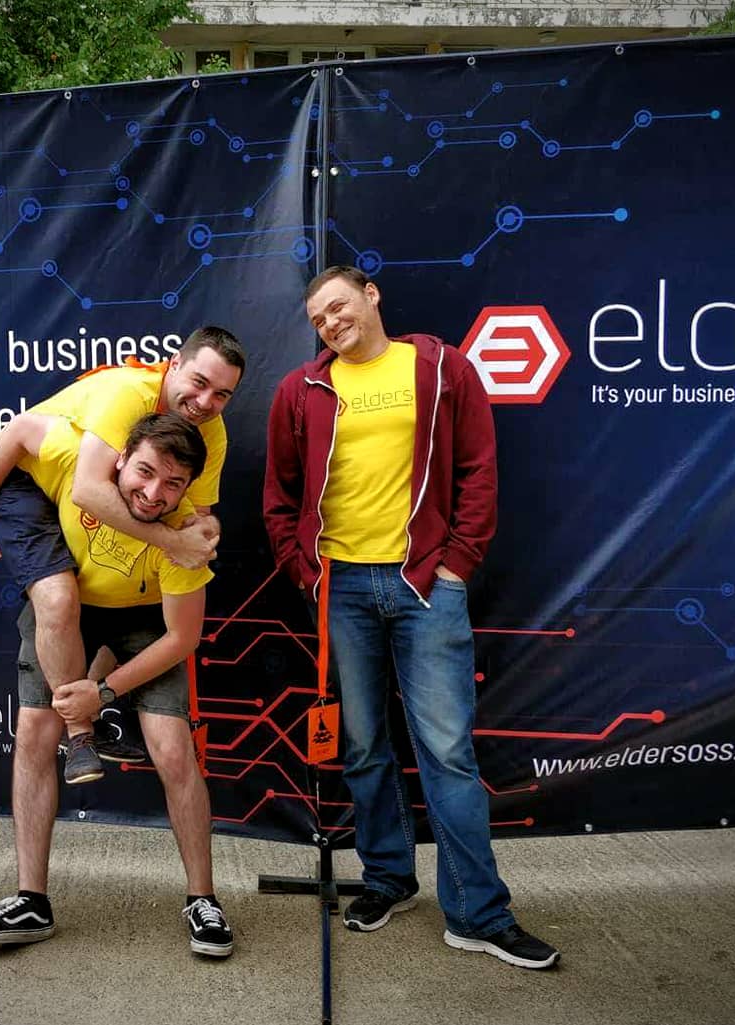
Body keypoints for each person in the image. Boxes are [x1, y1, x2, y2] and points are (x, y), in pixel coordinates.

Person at [262, 266, 560, 970]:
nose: (330, 323)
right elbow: (280, 493)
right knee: (364, 746)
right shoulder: (301, 390)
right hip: (341, 587)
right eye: (318, 319)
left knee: (447, 752)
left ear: (371, 295)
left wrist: (457, 563)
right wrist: (305, 570)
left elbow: (478, 469)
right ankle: (389, 880)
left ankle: (478, 914)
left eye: (339, 306)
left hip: (425, 583)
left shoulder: (441, 367)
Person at [0, 413, 234, 958]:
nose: (154, 494)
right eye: (145, 472)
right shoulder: (74, 468)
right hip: (69, 611)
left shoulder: (186, 535)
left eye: (173, 483)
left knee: (172, 749)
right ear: (119, 459)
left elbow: (182, 637)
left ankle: (203, 900)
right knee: (35, 732)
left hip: (146, 622)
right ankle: (30, 899)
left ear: (189, 488)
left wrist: (103, 691)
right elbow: (18, 431)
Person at [0, 328, 244, 779]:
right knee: (58, 597)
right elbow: (86, 489)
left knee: (126, 585)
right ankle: (80, 733)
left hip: (74, 486)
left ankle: (93, 707)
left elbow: (197, 513)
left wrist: (203, 534)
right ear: (173, 364)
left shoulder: (210, 432)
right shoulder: (128, 394)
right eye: (199, 383)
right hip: (25, 482)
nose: (204, 401)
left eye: (221, 394)